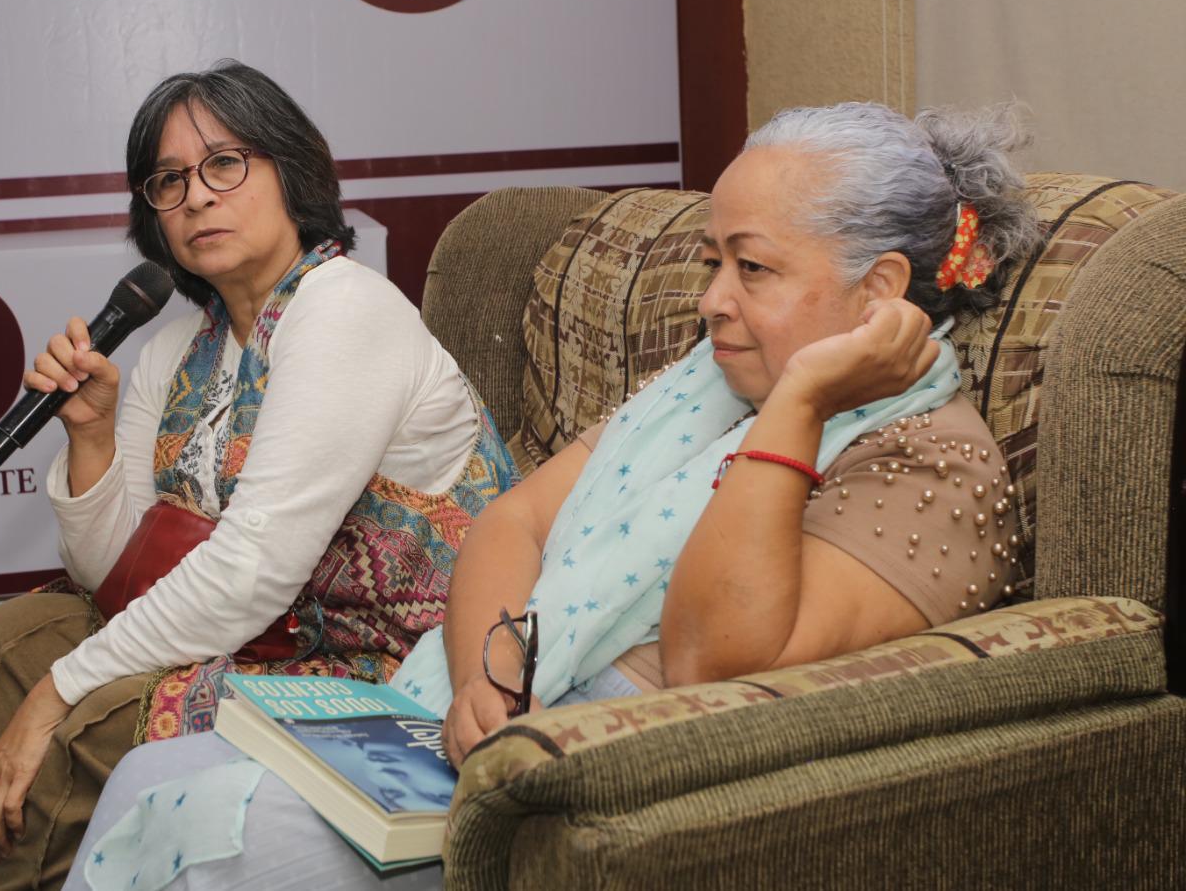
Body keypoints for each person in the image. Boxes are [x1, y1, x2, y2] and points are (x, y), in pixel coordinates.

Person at [64, 101, 1040, 891]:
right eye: (712, 263)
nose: (712, 300)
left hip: (596, 786)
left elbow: (713, 658)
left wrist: (798, 403)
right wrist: (491, 680)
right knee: (153, 774)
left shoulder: (929, 462)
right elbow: (516, 519)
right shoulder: (706, 383)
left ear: (879, 293)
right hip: (491, 721)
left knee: (204, 848)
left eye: (753, 267)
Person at [0, 60, 517, 891]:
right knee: (13, 641)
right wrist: (93, 438)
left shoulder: (342, 308)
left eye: (225, 163)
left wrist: (55, 697)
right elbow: (114, 582)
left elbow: (250, 570)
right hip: (264, 641)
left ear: (293, 171)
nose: (197, 196)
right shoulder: (179, 348)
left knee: (82, 719)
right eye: (169, 180)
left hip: (385, 665)